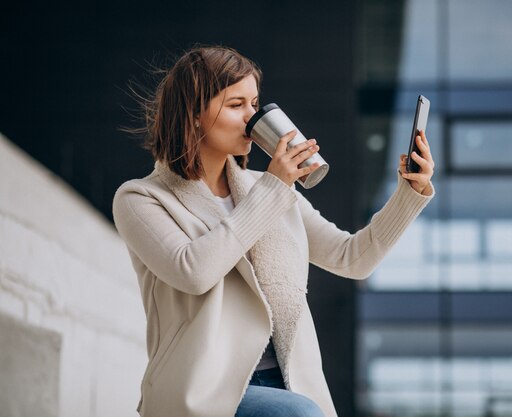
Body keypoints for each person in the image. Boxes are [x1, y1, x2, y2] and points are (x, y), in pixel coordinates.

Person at [112, 45, 435, 417]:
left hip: (288, 381)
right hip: (205, 391)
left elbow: (353, 259)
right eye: (236, 105)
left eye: (255, 104)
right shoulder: (141, 198)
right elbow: (194, 272)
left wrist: (409, 192)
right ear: (195, 115)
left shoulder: (268, 189)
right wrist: (273, 188)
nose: (252, 118)